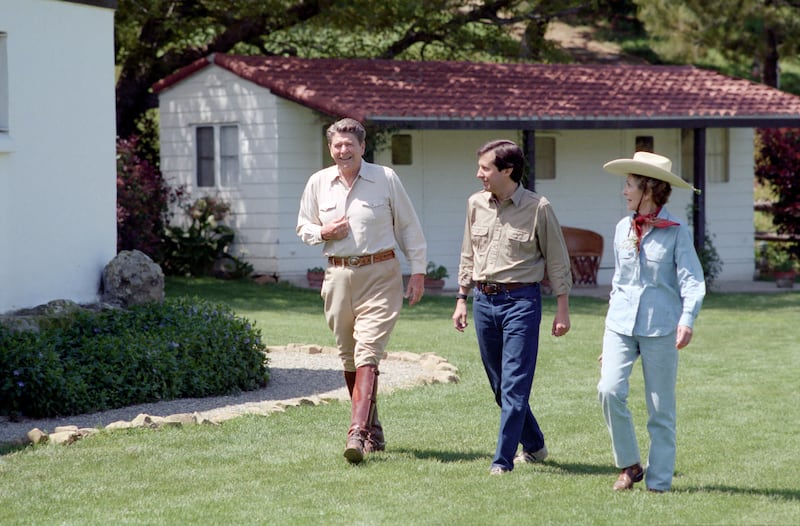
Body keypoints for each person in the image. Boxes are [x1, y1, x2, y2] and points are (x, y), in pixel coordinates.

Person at [297, 118, 427, 464]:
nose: (343, 151)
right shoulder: (318, 182)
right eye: (337, 146)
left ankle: (356, 433)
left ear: (362, 147)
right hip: (338, 277)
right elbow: (303, 226)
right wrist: (324, 232)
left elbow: (409, 227)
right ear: (330, 148)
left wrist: (418, 271)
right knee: (349, 353)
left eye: (349, 146)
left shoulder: (385, 179)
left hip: (381, 272)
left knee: (368, 349)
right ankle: (374, 429)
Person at [451, 139, 572, 475]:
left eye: (485, 168)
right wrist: (462, 297)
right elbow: (467, 252)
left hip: (522, 302)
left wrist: (563, 306)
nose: (479, 175)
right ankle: (534, 444)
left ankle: (502, 461)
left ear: (507, 170)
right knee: (499, 386)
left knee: (515, 384)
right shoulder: (475, 204)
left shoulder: (538, 207)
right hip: (483, 302)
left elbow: (558, 260)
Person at [598, 151, 706, 492]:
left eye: (629, 185)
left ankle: (659, 483)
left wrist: (687, 320)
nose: (624, 191)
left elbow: (692, 280)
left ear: (649, 188)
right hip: (620, 325)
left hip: (661, 326)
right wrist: (608, 341)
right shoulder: (620, 228)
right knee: (608, 390)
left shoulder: (677, 232)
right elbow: (618, 283)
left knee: (661, 410)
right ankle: (630, 464)